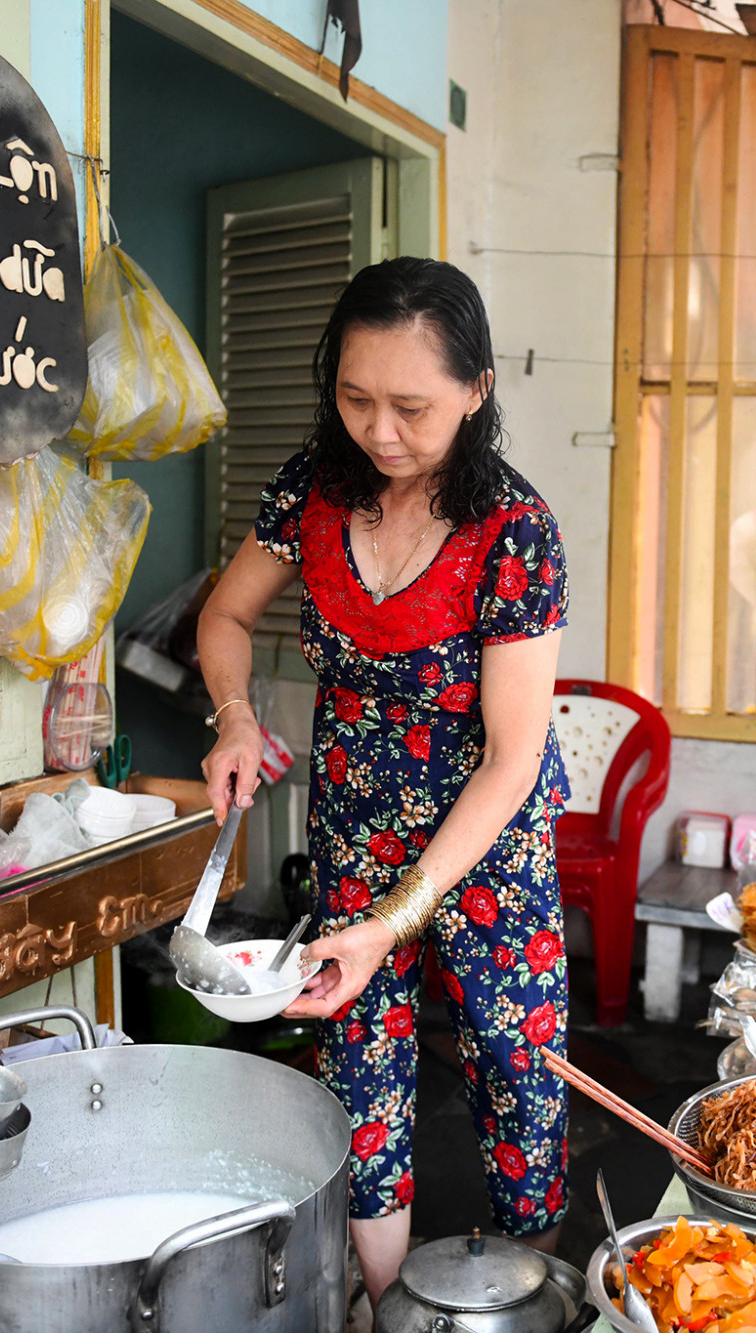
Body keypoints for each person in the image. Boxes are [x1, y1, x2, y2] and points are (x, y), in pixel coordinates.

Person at [195, 257, 571, 1308]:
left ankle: (515, 1300)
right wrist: (233, 716)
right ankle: (384, 1306)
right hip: (355, 829)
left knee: (514, 1066)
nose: (380, 430)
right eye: (354, 398)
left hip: (484, 845)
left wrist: (405, 913)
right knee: (358, 1060)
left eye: (411, 405)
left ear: (475, 392)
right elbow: (222, 619)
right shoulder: (308, 491)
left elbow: (512, 757)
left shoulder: (514, 536)